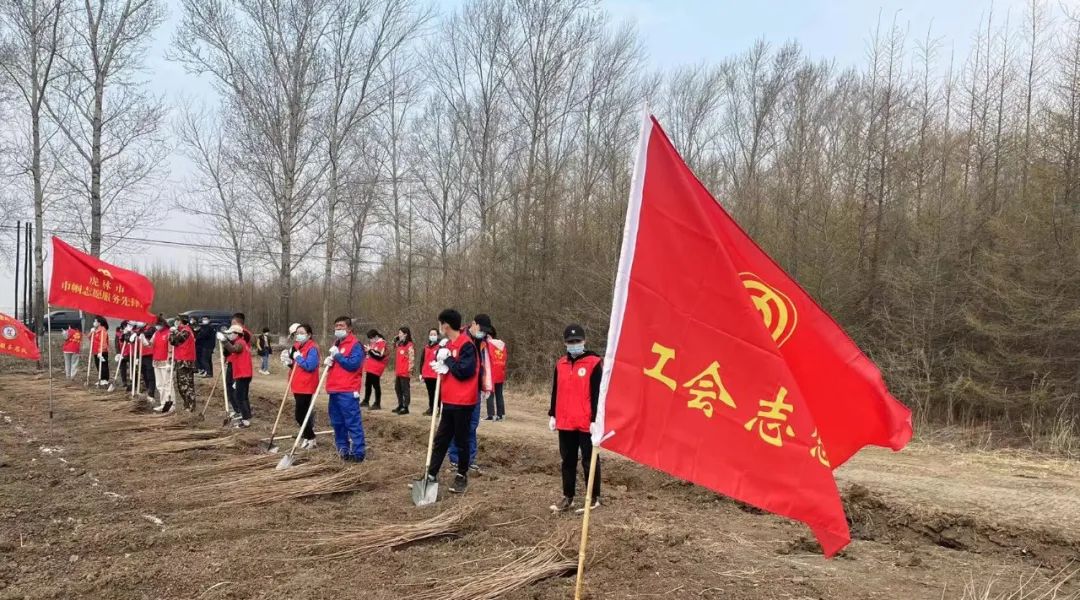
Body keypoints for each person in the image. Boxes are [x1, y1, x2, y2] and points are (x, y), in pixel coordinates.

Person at [422, 309, 479, 494]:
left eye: (440, 324)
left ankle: (462, 474)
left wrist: (448, 361)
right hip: (449, 399)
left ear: (446, 325)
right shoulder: (447, 344)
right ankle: (431, 474)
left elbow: (465, 371)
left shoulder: (466, 345)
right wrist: (442, 357)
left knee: (462, 440)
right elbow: (446, 363)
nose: (439, 328)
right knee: (441, 439)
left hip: (463, 401)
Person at [548, 324, 603, 513]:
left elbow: (598, 394)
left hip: (586, 422)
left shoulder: (594, 363)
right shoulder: (560, 364)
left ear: (584, 341)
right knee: (567, 461)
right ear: (565, 343)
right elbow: (556, 390)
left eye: (577, 341)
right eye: (570, 342)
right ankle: (568, 497)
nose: (574, 345)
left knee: (589, 460)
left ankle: (594, 497)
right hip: (565, 422)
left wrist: (597, 419)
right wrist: (552, 414)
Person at [449, 313, 493, 472]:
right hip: (459, 390)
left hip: (475, 391)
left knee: (472, 426)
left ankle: (469, 459)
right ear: (473, 324)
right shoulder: (458, 338)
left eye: (486, 331)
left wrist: (486, 385)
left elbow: (485, 364)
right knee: (457, 425)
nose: (484, 333)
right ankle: (455, 458)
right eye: (482, 329)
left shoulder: (482, 342)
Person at [325, 316, 366, 461]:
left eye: (341, 326)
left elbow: (353, 364)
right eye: (336, 326)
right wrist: (331, 360)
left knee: (352, 422)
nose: (338, 329)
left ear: (349, 329)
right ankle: (343, 448)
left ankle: (358, 452)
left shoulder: (355, 345)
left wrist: (338, 356)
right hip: (334, 390)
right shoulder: (336, 343)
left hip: (348, 390)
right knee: (337, 422)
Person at [282, 324, 321, 449]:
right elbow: (296, 365)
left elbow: (310, 366)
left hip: (306, 385)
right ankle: (307, 436)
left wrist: (297, 357)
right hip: (297, 383)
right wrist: (290, 362)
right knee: (302, 414)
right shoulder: (297, 346)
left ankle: (310, 437)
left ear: (309, 335)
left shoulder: (312, 348)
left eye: (302, 332)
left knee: (300, 414)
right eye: (297, 332)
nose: (298, 335)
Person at [219, 324, 253, 427]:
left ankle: (245, 420)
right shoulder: (240, 342)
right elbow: (230, 352)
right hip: (244, 373)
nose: (229, 335)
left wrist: (224, 341)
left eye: (230, 333)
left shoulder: (240, 343)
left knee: (239, 397)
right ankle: (247, 415)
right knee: (243, 396)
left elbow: (234, 349)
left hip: (242, 374)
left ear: (236, 334)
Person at [170, 315, 198, 411]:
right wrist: (172, 333)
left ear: (181, 321)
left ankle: (190, 405)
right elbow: (173, 341)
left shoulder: (186, 330)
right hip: (180, 360)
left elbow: (179, 339)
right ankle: (186, 404)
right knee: (181, 384)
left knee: (186, 384)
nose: (176, 323)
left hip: (186, 361)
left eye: (177, 321)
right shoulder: (182, 330)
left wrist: (175, 331)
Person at [150, 316, 175, 412]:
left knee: (167, 383)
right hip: (156, 361)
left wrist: (169, 361)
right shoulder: (156, 333)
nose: (157, 326)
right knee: (159, 384)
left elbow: (170, 348)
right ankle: (163, 403)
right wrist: (143, 339)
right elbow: (150, 344)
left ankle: (171, 403)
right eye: (156, 325)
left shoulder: (169, 333)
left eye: (158, 325)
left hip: (165, 361)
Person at [485, 327, 508, 421]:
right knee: (499, 394)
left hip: (491, 372)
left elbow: (486, 359)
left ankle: (491, 414)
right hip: (501, 372)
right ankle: (501, 414)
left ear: (489, 336)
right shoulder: (502, 345)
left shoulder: (488, 344)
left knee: (489, 393)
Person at [361, 329, 387, 410]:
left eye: (371, 338)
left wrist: (370, 351)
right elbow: (371, 353)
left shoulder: (382, 343)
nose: (370, 340)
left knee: (376, 386)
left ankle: (377, 403)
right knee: (367, 384)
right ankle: (366, 400)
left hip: (376, 367)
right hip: (370, 367)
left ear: (376, 336)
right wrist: (367, 351)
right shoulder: (373, 343)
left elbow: (379, 355)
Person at [392, 327, 415, 415]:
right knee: (397, 388)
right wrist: (395, 339)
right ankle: (400, 404)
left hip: (405, 371)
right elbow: (393, 346)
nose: (399, 334)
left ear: (405, 334)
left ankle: (406, 407)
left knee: (405, 389)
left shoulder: (409, 345)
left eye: (400, 333)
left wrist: (410, 370)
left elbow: (411, 359)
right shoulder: (399, 344)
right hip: (398, 371)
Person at [420, 328, 440, 416]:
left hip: (436, 374)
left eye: (434, 334)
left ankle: (439, 408)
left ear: (437, 335)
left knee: (438, 393)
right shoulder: (426, 347)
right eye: (431, 334)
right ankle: (431, 408)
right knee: (430, 392)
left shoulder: (440, 347)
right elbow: (422, 360)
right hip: (427, 374)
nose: (433, 336)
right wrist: (421, 373)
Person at [89, 316, 110, 386]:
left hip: (102, 351)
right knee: (98, 365)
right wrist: (91, 332)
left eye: (95, 321)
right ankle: (101, 378)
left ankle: (105, 379)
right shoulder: (95, 330)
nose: (94, 323)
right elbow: (90, 338)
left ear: (99, 323)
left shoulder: (102, 330)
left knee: (103, 365)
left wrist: (100, 351)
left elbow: (103, 342)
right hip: (95, 351)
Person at [138, 323, 156, 400]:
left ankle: (151, 392)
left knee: (150, 374)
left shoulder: (151, 328)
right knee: (144, 373)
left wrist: (142, 333)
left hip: (150, 354)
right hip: (142, 354)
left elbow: (150, 333)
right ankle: (148, 388)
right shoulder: (140, 329)